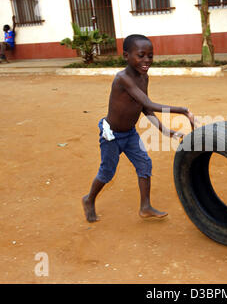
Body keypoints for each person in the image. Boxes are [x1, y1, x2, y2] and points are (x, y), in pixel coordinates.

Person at [82, 34, 196, 223]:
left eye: (150, 56)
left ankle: (145, 207)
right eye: (141, 55)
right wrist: (183, 110)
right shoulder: (123, 78)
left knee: (144, 165)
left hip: (130, 134)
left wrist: (165, 130)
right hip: (112, 135)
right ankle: (89, 199)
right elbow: (147, 101)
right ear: (126, 56)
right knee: (107, 172)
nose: (146, 60)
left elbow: (145, 107)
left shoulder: (144, 77)